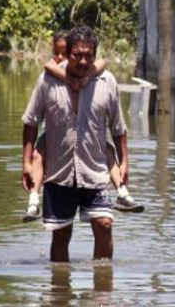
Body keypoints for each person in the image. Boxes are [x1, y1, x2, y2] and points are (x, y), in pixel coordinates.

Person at [20, 25, 131, 261]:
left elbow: (118, 127)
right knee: (61, 236)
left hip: (94, 171)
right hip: (59, 173)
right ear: (67, 53)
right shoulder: (48, 81)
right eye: (77, 55)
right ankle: (60, 284)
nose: (83, 61)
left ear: (95, 55)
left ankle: (103, 281)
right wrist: (26, 163)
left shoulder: (106, 81)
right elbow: (30, 122)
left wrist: (124, 161)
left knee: (104, 224)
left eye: (88, 55)